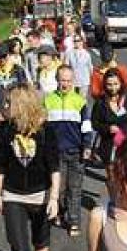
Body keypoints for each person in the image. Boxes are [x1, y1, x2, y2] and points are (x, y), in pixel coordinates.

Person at [0, 86, 61, 251]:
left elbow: (54, 166)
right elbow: (0, 164)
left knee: (41, 240)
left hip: (40, 195)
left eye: (8, 102)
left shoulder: (45, 130)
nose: (5, 107)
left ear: (21, 105)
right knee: (19, 248)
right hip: (13, 195)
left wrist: (54, 198)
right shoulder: (5, 130)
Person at [43, 64, 93, 236]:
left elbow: (86, 126)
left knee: (75, 189)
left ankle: (73, 221)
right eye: (62, 80)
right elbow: (43, 127)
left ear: (73, 81)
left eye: (68, 81)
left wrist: (87, 146)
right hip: (55, 152)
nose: (65, 84)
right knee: (59, 188)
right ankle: (59, 212)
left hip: (75, 152)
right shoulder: (48, 100)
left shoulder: (80, 101)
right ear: (57, 80)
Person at [89, 68, 127, 168]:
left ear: (121, 83)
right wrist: (107, 128)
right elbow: (95, 123)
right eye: (109, 84)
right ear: (105, 85)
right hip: (109, 144)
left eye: (116, 84)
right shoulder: (100, 102)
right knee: (112, 173)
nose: (113, 88)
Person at [0, 42, 30, 129]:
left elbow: (24, 90)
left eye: (4, 56)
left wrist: (24, 109)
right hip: (0, 109)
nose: (2, 59)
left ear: (9, 55)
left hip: (16, 109)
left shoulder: (18, 69)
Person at [64, 32, 94, 99]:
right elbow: (66, 66)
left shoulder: (86, 54)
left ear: (82, 42)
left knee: (81, 100)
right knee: (71, 98)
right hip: (73, 80)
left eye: (78, 40)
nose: (76, 42)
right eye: (75, 41)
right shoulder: (69, 53)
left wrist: (92, 79)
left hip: (84, 80)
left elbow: (90, 67)